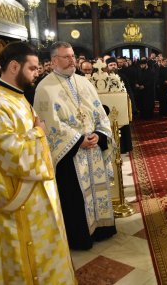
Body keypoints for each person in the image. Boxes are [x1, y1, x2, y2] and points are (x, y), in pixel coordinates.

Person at [0, 42, 76, 284]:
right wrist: (39, 133)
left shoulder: (15, 97)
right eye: (32, 68)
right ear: (13, 66)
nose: (36, 73)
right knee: (27, 260)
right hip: (17, 198)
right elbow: (12, 155)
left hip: (34, 192)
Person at [34, 41, 116, 250]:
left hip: (93, 146)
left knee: (98, 190)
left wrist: (99, 134)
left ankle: (102, 228)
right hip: (71, 152)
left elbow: (99, 112)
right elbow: (50, 123)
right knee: (75, 196)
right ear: (53, 61)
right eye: (66, 57)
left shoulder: (84, 82)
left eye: (73, 56)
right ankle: (81, 236)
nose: (72, 60)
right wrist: (79, 140)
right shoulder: (44, 87)